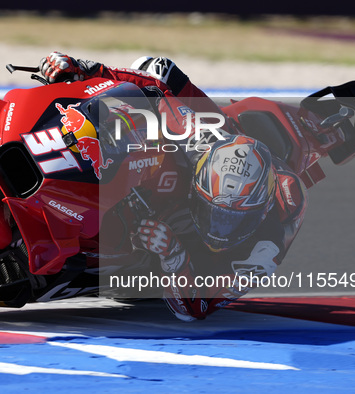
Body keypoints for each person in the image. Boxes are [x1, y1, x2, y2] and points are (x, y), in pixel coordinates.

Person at [40, 52, 308, 321]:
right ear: (197, 185)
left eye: (231, 221)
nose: (218, 229)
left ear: (259, 214)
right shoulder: (200, 141)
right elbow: (155, 90)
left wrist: (173, 255)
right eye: (213, 213)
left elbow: (194, 310)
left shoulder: (262, 253)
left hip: (193, 264)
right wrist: (87, 70)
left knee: (132, 271)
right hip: (213, 151)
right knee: (158, 69)